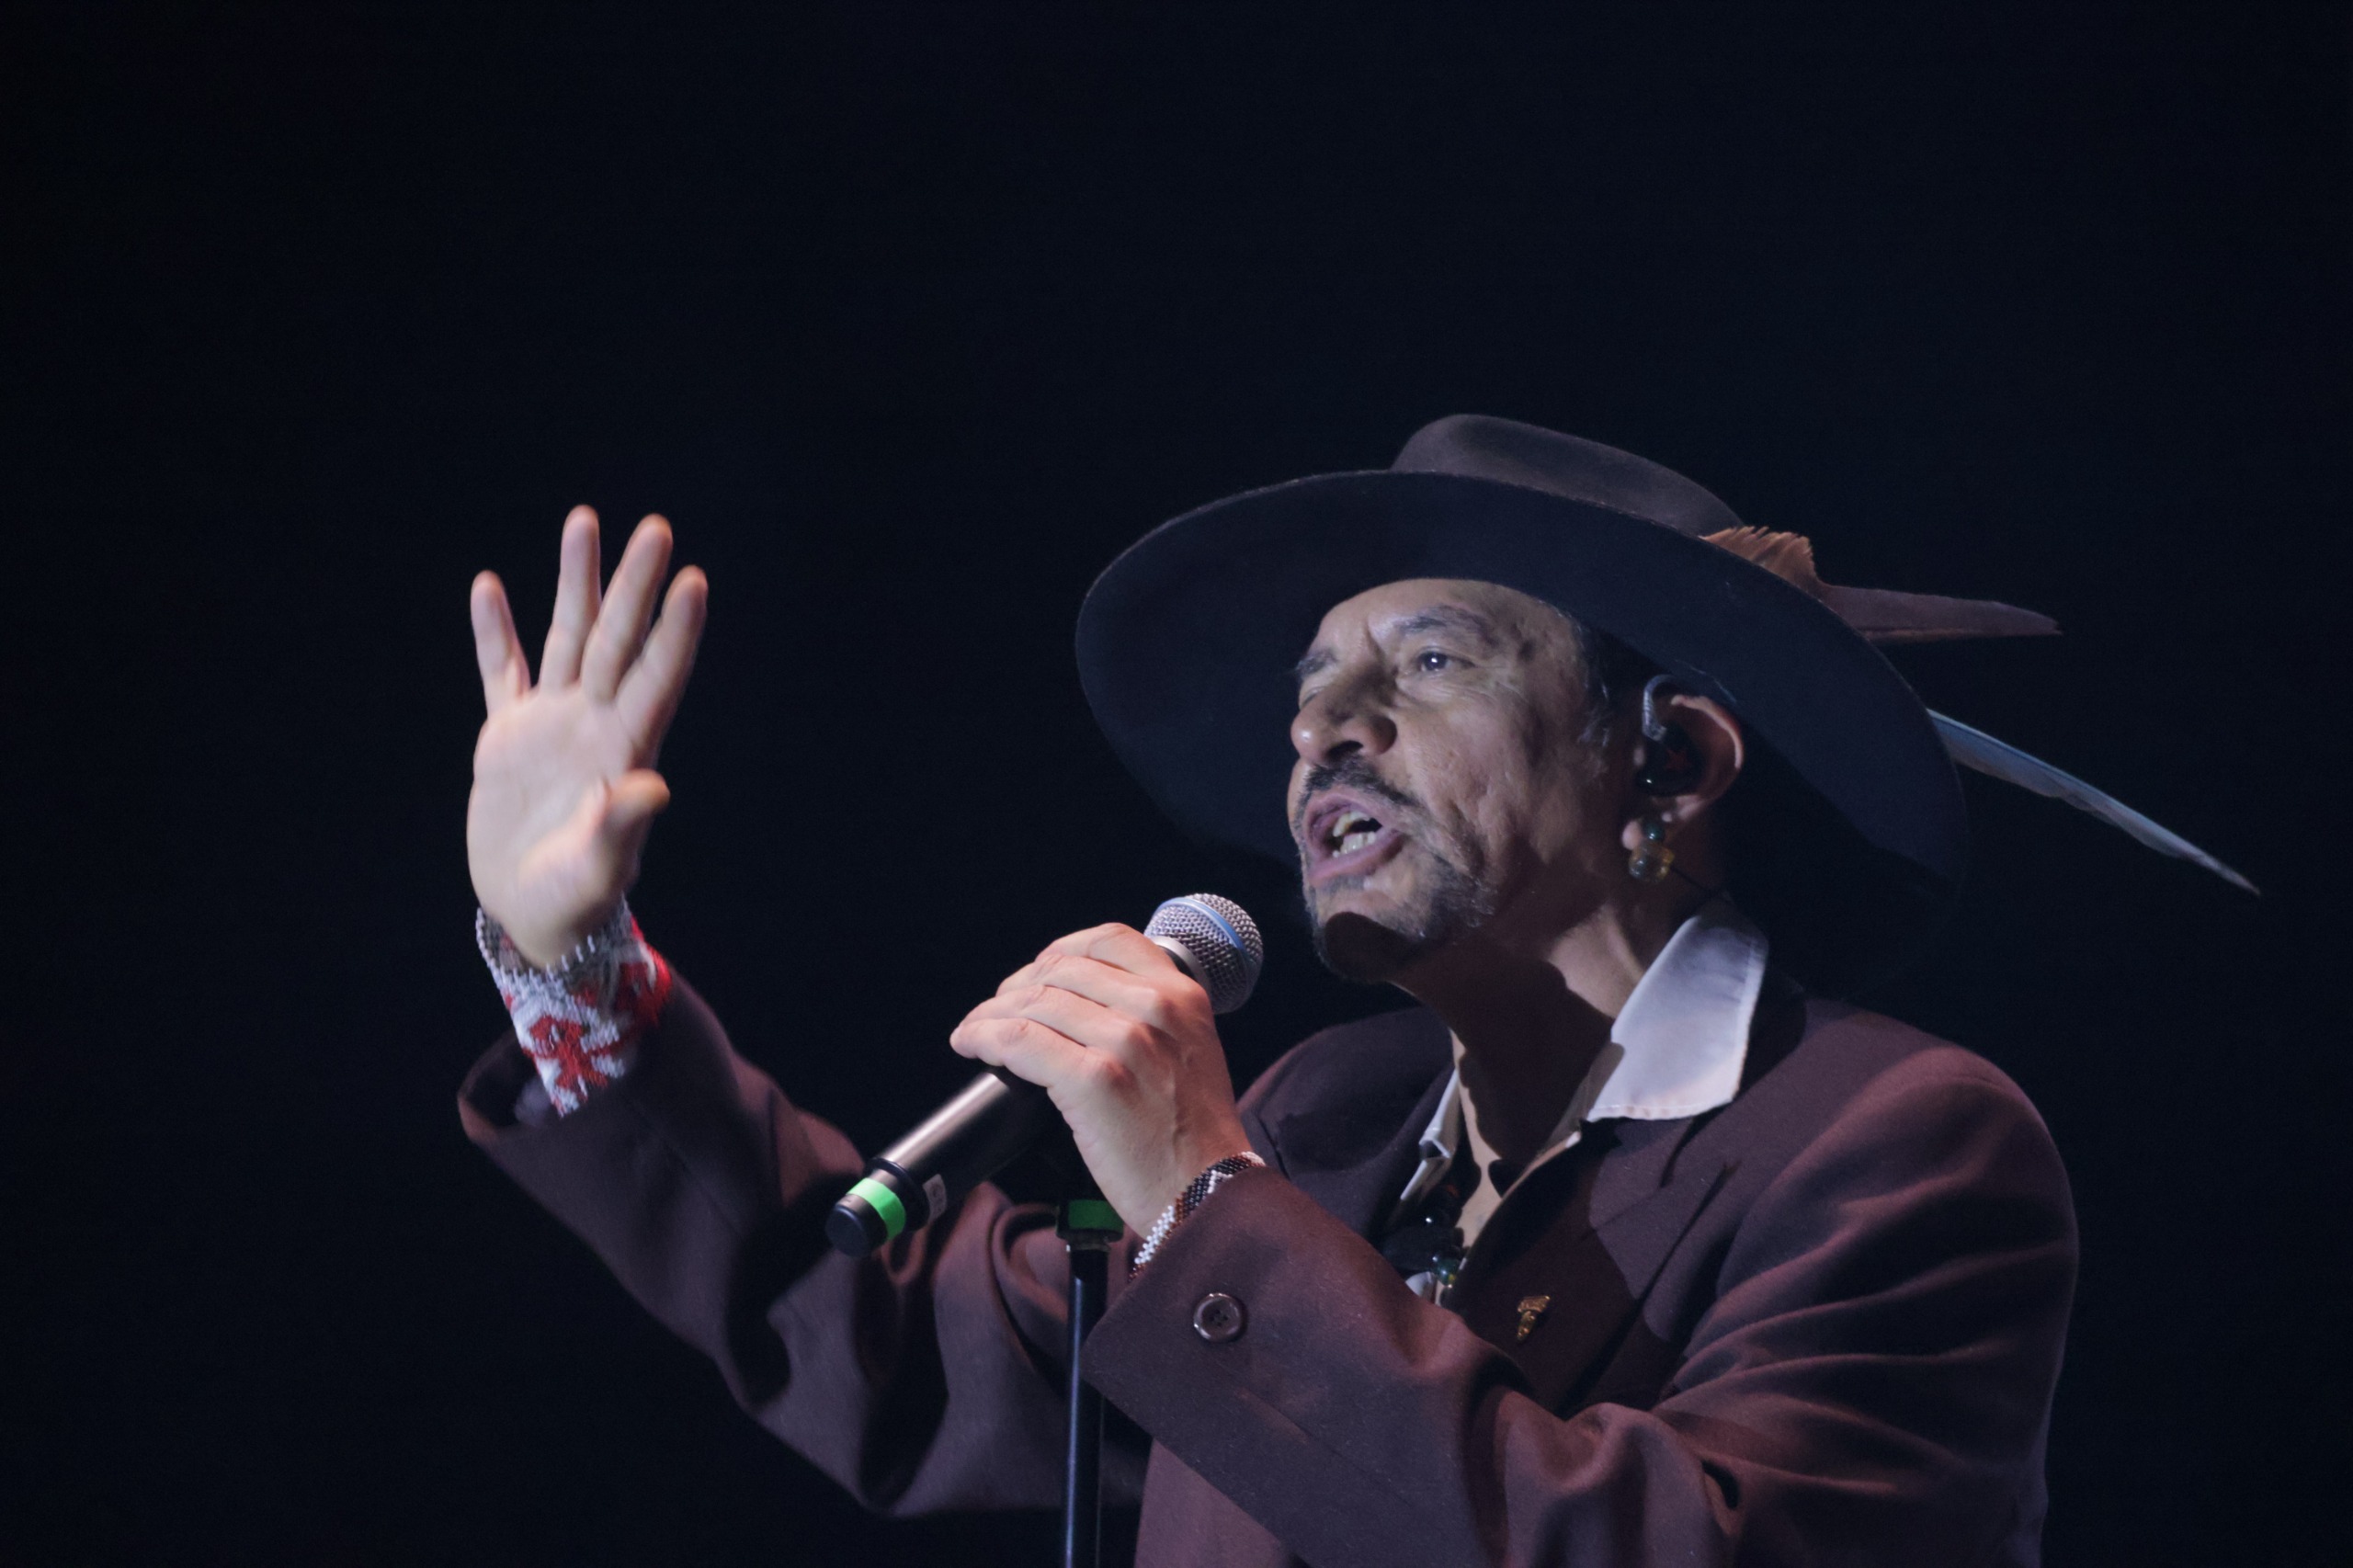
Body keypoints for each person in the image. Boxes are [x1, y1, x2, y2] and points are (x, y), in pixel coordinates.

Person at [458, 417, 2234, 1565]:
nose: (1324, 726)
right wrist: (575, 966)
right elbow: (883, 1339)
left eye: (1430, 661)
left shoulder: (1896, 1145)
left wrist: (1201, 1195)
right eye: (1312, 689)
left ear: (1674, 761)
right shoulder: (1333, 1120)